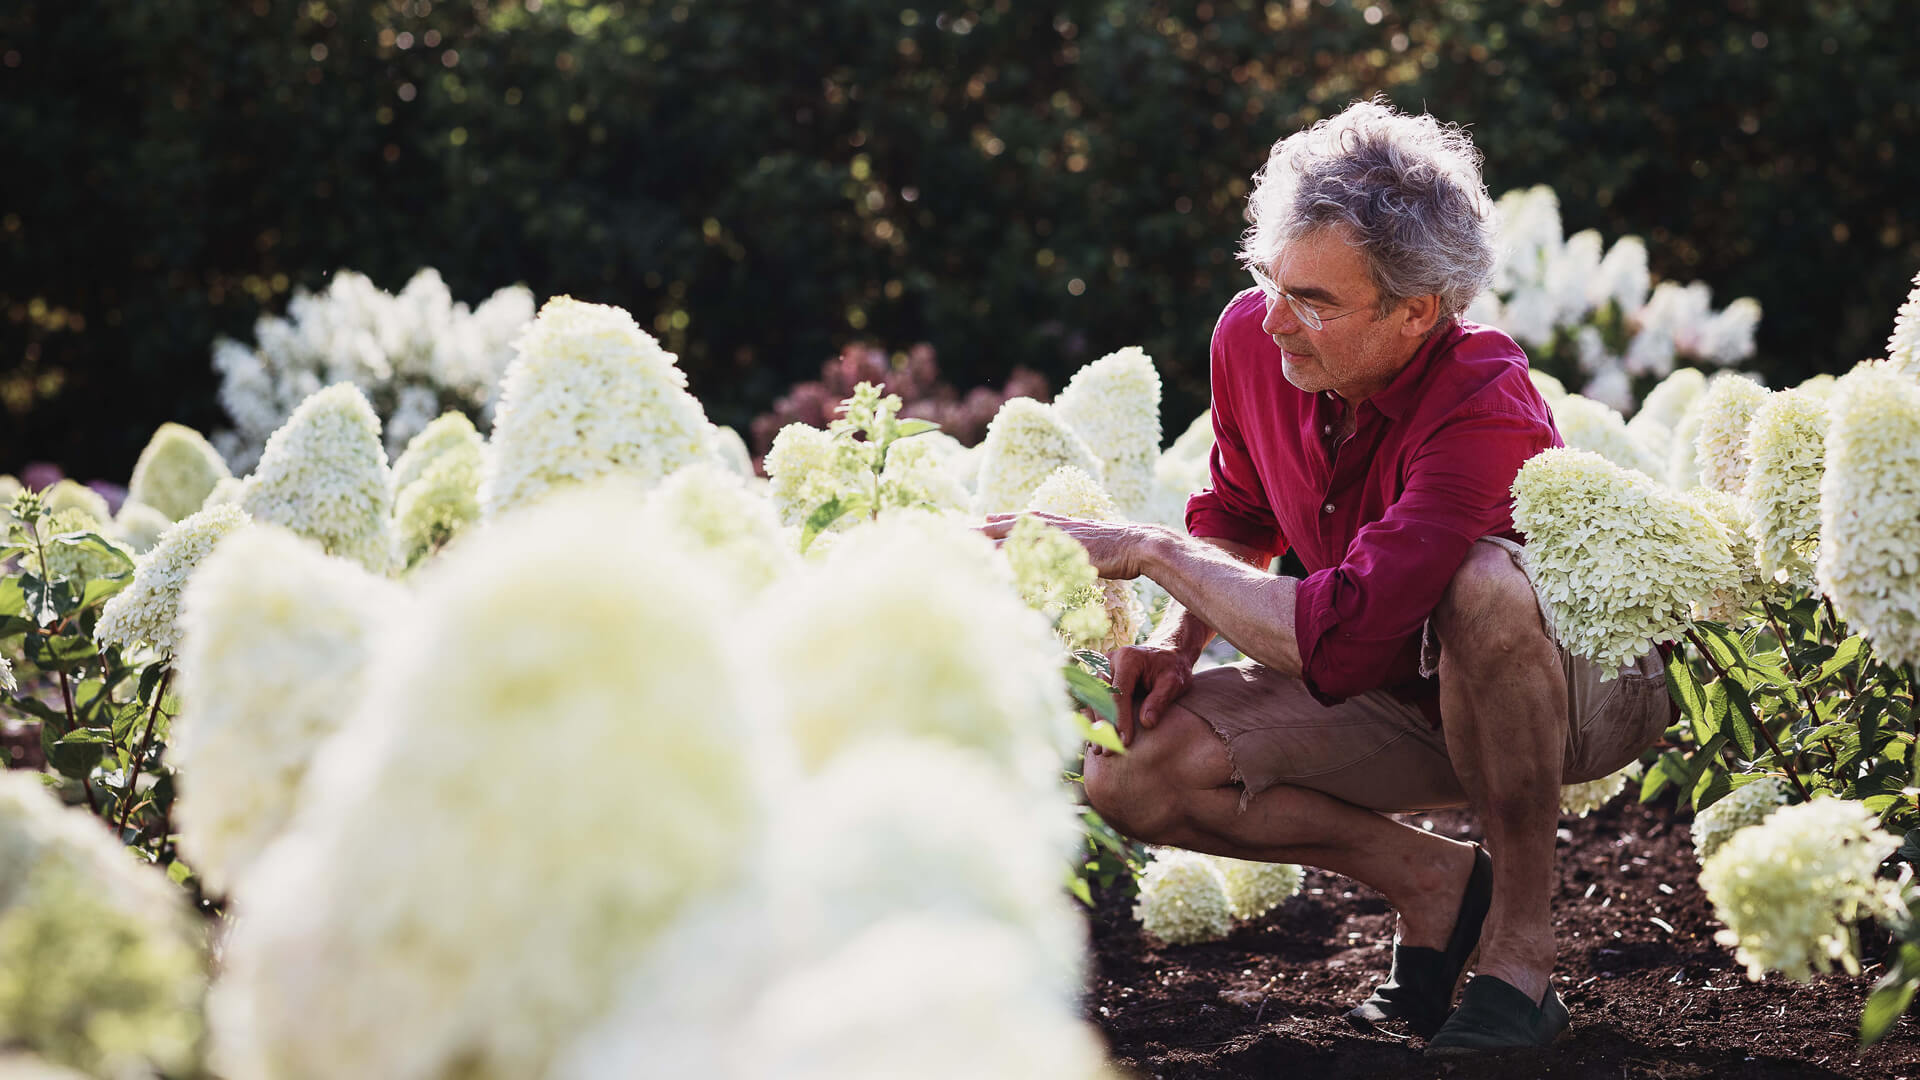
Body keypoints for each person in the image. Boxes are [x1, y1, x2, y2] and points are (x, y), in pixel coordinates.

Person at [984, 98, 1670, 1054]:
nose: (1275, 321)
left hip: (1575, 686)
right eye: (1271, 278)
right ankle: (1435, 885)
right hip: (1399, 681)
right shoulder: (1252, 341)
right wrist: (1178, 649)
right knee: (1133, 769)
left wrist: (1151, 549)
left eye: (1316, 301)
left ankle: (1521, 951)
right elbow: (1239, 517)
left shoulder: (1483, 398)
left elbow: (1341, 633)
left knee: (1482, 585)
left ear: (1417, 312)